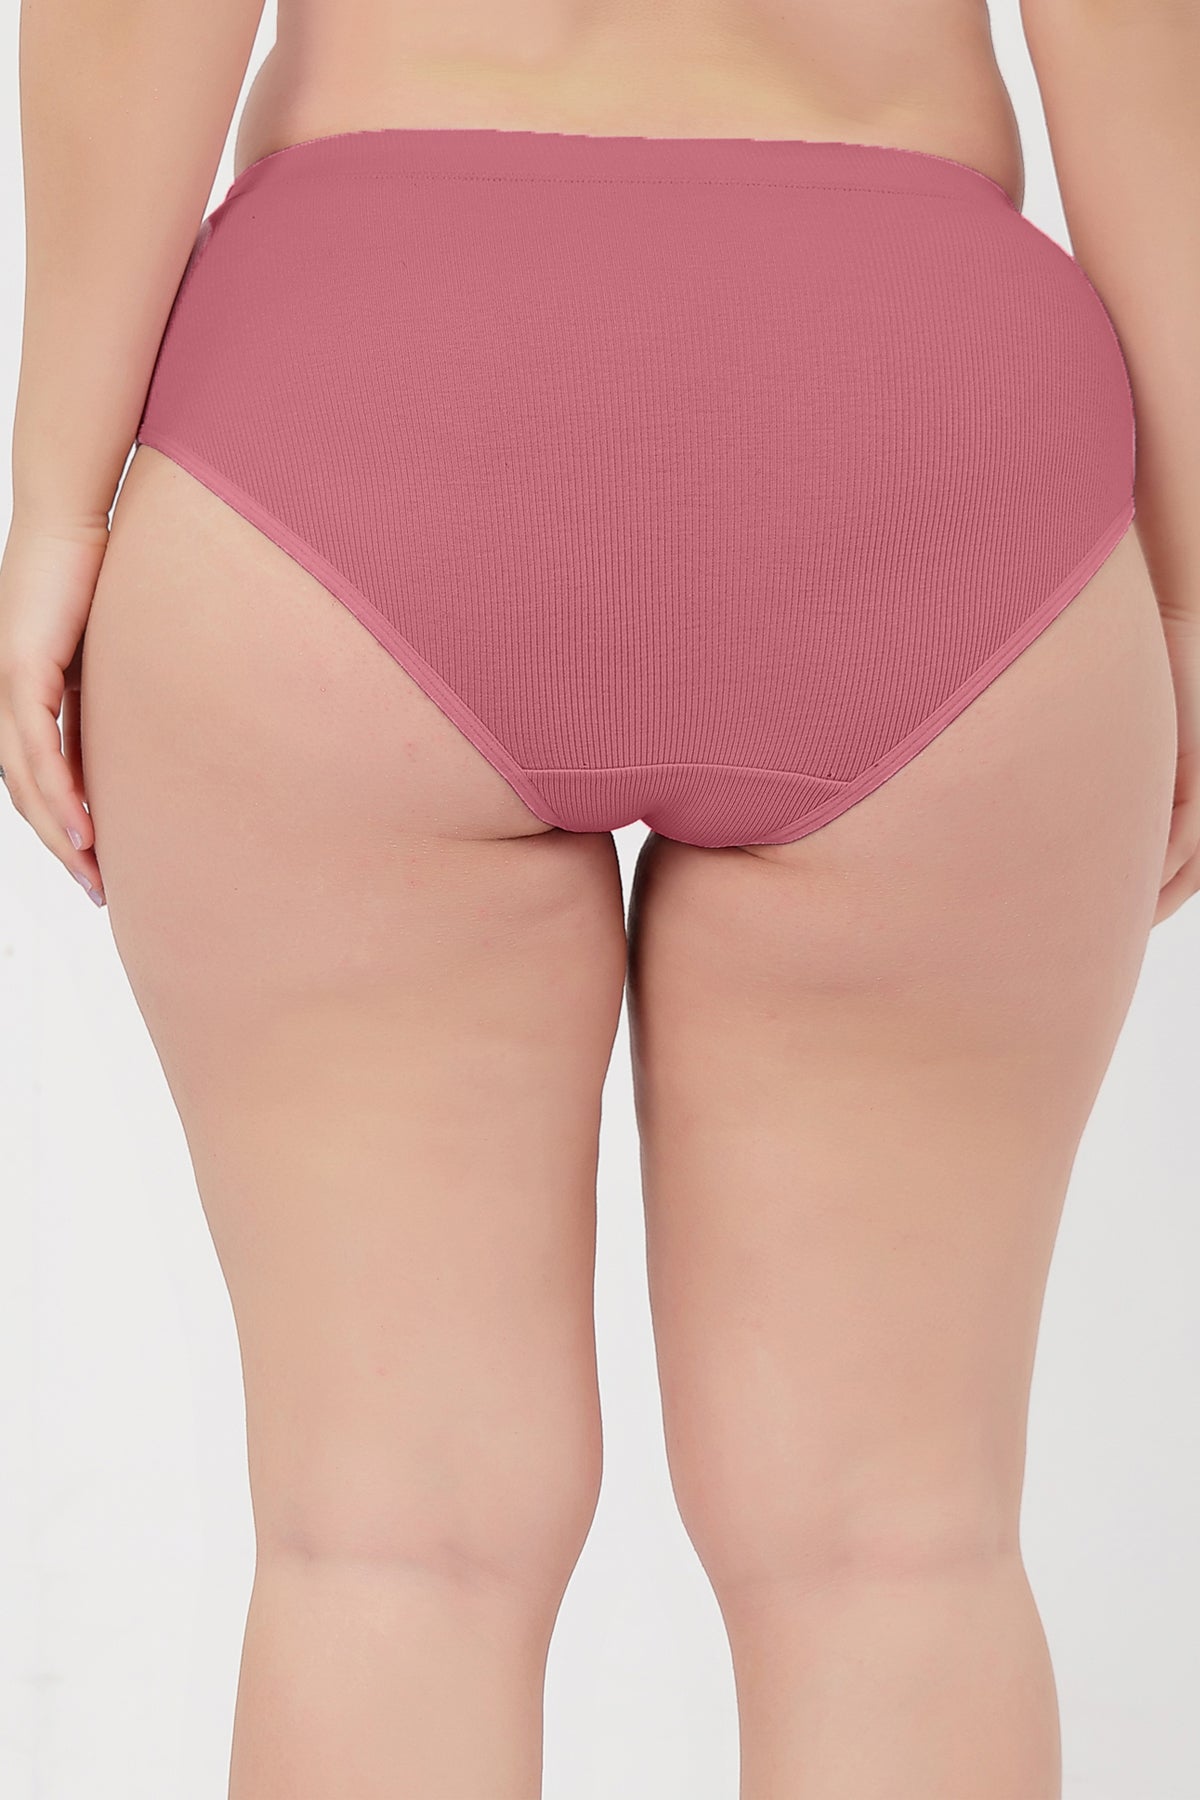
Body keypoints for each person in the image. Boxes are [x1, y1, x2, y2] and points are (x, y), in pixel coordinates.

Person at [1, 1, 1196, 1794]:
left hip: (368, 375)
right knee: (899, 1553)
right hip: (914, 397)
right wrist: (1188, 575)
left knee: (382, 1546)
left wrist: (55, 496)